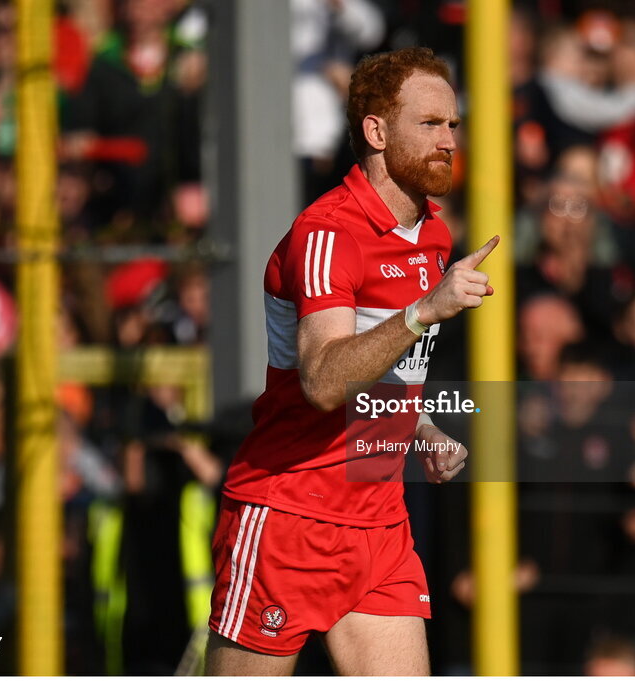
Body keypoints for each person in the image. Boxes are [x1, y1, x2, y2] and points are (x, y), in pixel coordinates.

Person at [205, 47, 498, 675]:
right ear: (375, 131)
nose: (449, 139)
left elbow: (386, 366)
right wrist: (424, 311)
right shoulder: (327, 232)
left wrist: (419, 426)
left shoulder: (434, 234)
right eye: (429, 124)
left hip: (378, 517)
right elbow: (322, 380)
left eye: (453, 124)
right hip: (290, 514)